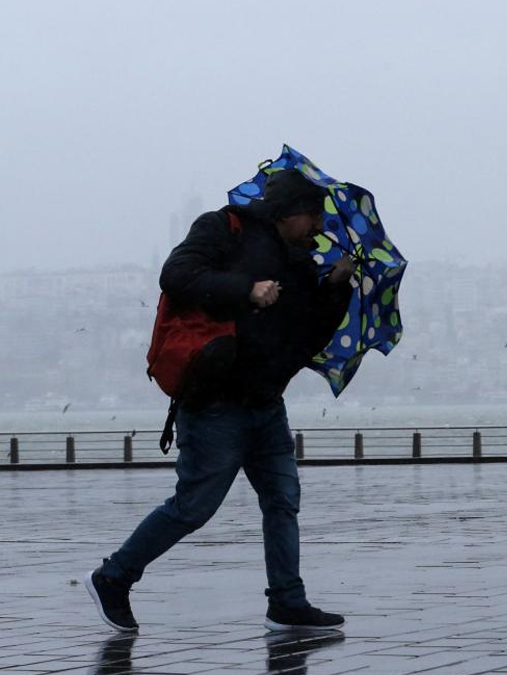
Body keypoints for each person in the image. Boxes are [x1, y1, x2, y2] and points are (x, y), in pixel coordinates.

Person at [85, 169, 353, 633]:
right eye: (313, 215)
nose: (319, 226)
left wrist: (334, 288)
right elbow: (177, 275)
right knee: (194, 505)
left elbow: (308, 339)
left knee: (283, 500)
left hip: (267, 403)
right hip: (215, 401)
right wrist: (246, 290)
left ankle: (287, 602)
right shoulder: (222, 228)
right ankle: (114, 576)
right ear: (289, 211)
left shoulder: (301, 263)